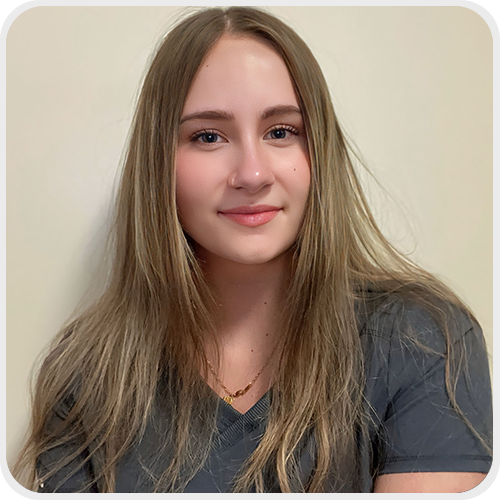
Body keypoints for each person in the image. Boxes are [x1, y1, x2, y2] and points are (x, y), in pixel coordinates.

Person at [13, 6, 492, 493]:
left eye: (281, 132)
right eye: (208, 136)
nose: (253, 174)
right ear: (159, 163)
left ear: (320, 151)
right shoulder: (86, 373)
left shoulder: (424, 343)